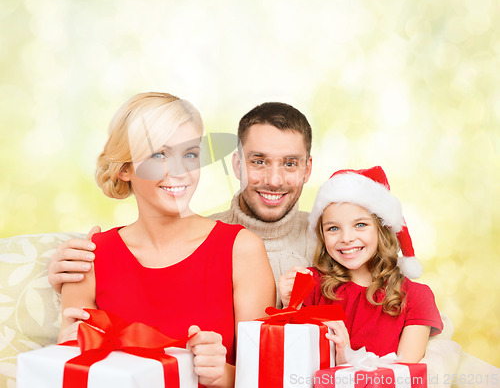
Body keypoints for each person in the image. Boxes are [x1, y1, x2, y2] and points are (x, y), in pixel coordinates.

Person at [58, 92, 275, 388]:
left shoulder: (242, 249)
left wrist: (220, 374)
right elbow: (71, 371)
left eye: (190, 154)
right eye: (159, 154)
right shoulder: (89, 258)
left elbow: (264, 378)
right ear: (125, 169)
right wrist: (69, 348)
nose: (180, 171)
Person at [49, 102, 317, 303]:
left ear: (307, 169)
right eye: (259, 161)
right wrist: (65, 277)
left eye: (290, 163)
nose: (274, 179)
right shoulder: (207, 242)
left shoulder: (338, 239)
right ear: (237, 165)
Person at [279, 166, 443, 364]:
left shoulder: (416, 297)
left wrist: (346, 357)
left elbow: (403, 375)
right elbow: (289, 360)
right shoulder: (311, 283)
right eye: (333, 228)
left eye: (360, 225)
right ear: (322, 235)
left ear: (381, 229)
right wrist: (290, 305)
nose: (346, 238)